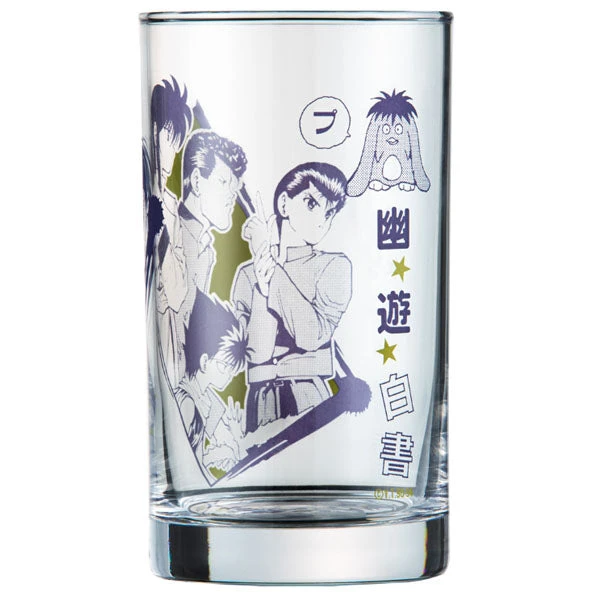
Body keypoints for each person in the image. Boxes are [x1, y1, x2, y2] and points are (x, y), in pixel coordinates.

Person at [231, 162, 352, 433]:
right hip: (259, 398)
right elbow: (256, 353)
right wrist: (262, 282)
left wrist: (270, 271)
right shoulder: (248, 274)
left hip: (310, 394)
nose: (321, 219)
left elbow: (310, 335)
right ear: (284, 204)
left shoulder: (334, 267)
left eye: (329, 212)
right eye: (311, 203)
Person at [155, 130, 247, 385]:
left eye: (235, 186)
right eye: (223, 182)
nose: (232, 195)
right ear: (197, 181)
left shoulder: (205, 248)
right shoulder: (173, 234)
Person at [174, 291, 247, 474]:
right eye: (225, 366)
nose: (230, 376)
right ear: (205, 361)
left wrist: (236, 438)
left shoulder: (210, 402)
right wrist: (218, 455)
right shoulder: (186, 402)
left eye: (233, 370)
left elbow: (230, 450)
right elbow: (188, 467)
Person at [143, 77, 193, 288]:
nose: (171, 154)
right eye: (169, 137)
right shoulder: (148, 184)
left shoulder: (171, 208)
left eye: (175, 144)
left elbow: (178, 291)